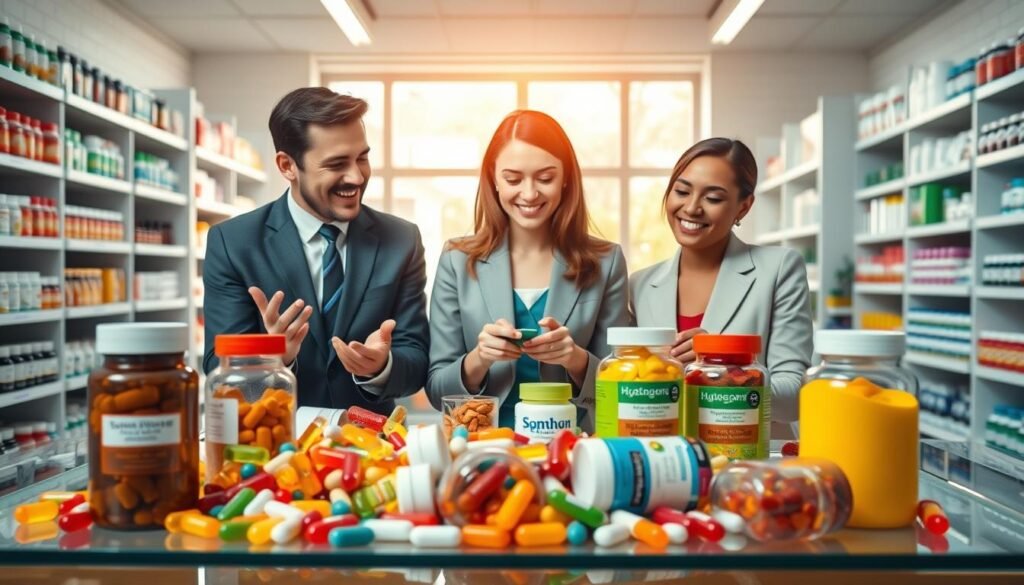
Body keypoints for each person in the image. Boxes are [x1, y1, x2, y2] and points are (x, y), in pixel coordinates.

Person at [202, 87, 429, 413]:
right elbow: (218, 369)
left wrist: (380, 367)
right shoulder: (234, 243)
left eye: (362, 158)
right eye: (337, 164)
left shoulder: (401, 239)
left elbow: (416, 358)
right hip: (273, 445)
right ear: (287, 166)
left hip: (373, 451)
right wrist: (273, 360)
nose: (356, 176)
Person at [426, 110, 630, 432]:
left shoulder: (606, 262)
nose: (530, 193)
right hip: (482, 446)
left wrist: (574, 358)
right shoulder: (457, 260)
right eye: (513, 179)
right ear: (493, 177)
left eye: (545, 178)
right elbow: (438, 391)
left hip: (571, 447)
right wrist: (480, 358)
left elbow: (623, 389)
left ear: (566, 179)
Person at [629, 137, 813, 438]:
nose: (691, 208)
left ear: (744, 206)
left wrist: (723, 367)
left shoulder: (779, 269)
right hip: (667, 457)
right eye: (681, 191)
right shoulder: (640, 285)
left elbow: (794, 397)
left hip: (749, 457)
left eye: (713, 198)